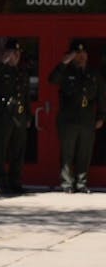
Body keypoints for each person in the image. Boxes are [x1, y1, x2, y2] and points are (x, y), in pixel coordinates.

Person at [48, 40, 102, 193]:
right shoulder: (65, 72)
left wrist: (101, 116)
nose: (81, 56)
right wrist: (64, 63)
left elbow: (101, 96)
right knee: (67, 153)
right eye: (78, 54)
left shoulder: (93, 73)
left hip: (87, 119)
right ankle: (66, 183)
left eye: (84, 53)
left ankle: (81, 183)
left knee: (84, 153)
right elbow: (52, 80)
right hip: (68, 119)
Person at [0, 38, 30, 196]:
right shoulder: (0, 69)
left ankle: (15, 181)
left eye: (18, 53)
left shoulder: (21, 72)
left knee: (18, 150)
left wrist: (28, 115)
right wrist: (3, 63)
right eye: (13, 53)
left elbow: (25, 96)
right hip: (3, 115)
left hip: (19, 114)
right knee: (1, 150)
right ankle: (2, 182)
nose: (16, 56)